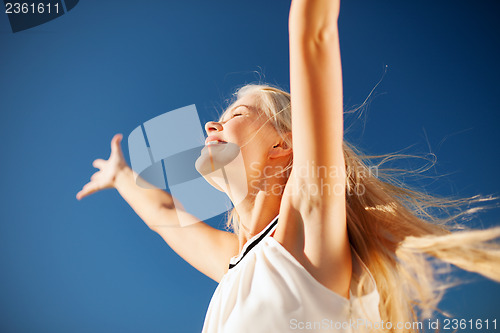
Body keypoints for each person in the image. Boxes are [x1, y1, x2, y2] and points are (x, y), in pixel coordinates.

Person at [76, 1, 500, 332]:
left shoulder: (305, 229)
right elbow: (165, 214)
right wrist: (121, 176)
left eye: (237, 115)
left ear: (283, 145)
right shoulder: (235, 262)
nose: (212, 123)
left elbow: (313, 36)